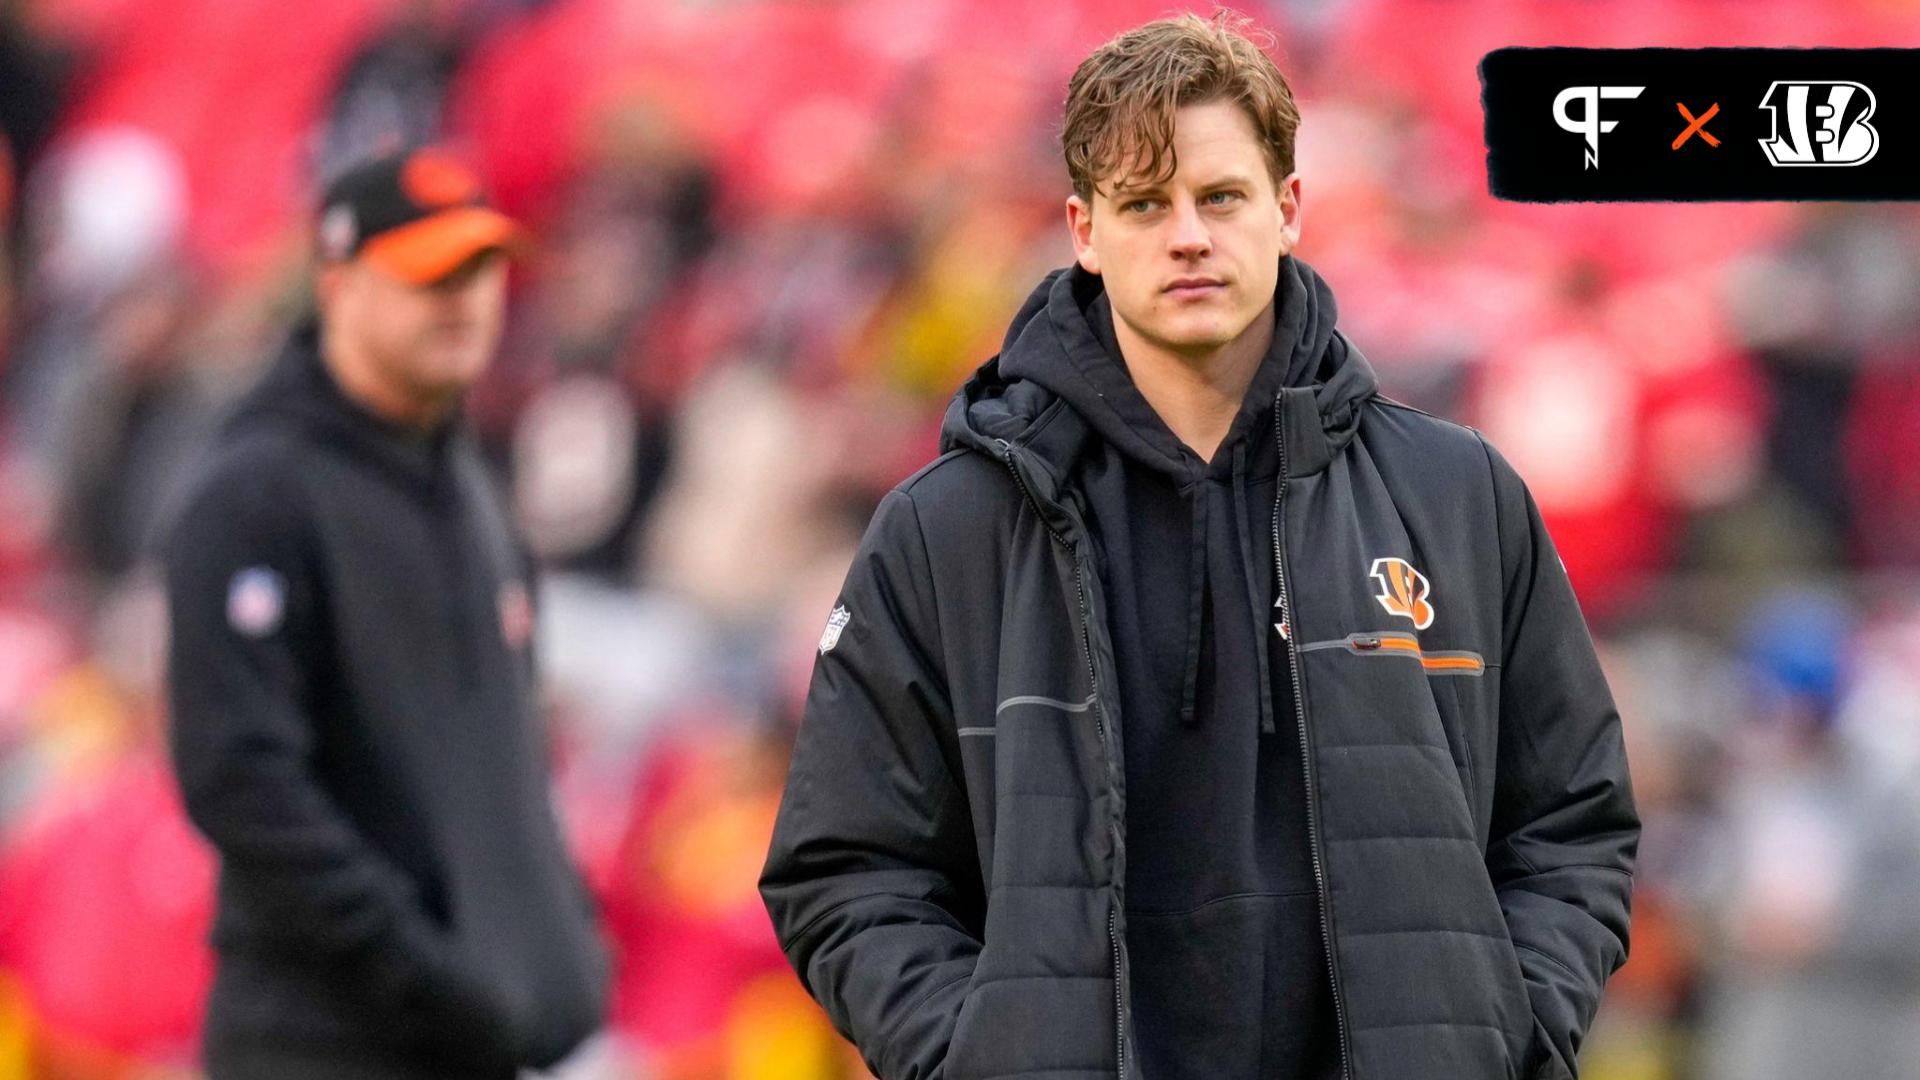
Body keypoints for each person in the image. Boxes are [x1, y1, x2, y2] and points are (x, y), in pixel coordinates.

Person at [760, 12, 1637, 1080]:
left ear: (1289, 208)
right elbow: (848, 868)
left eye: (1221, 196)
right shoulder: (949, 530)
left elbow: (1572, 824)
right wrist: (977, 1055)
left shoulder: (1459, 498)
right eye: (1144, 204)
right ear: (1083, 229)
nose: (1188, 235)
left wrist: (1505, 1034)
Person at [163, 146, 609, 1080]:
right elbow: (241, 784)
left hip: (459, 1042)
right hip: (316, 1045)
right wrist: (428, 969)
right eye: (426, 274)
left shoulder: (470, 485)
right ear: (337, 284)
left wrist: (554, 941)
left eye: (480, 267)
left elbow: (505, 755)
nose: (463, 298)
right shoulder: (257, 491)